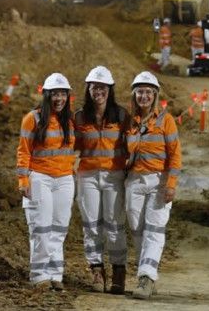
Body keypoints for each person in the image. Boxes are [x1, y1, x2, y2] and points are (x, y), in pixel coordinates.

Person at [124, 71, 181, 300]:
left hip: (159, 181)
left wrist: (171, 184)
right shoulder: (129, 121)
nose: (144, 96)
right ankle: (146, 273)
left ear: (155, 95)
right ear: (134, 94)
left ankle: (146, 278)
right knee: (137, 229)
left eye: (148, 92)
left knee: (154, 229)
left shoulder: (165, 120)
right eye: (140, 92)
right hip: (134, 181)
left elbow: (175, 155)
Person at [16, 72, 76, 292]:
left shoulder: (69, 120)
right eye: (55, 94)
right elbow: (23, 151)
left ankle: (55, 273)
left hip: (64, 179)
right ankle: (39, 274)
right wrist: (23, 180)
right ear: (47, 95)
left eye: (63, 94)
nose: (59, 98)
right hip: (40, 178)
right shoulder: (33, 118)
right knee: (41, 227)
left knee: (59, 227)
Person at [74, 66, 129, 294]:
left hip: (114, 176)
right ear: (88, 89)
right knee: (91, 226)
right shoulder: (79, 116)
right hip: (87, 176)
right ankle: (97, 271)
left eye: (103, 88)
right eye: (95, 88)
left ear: (110, 90)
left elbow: (132, 145)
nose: (99, 92)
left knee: (114, 225)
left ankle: (118, 271)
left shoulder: (122, 115)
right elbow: (72, 146)